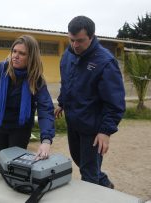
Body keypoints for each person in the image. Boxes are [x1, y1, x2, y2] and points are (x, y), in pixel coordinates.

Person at [55, 16, 125, 189]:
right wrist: (62, 102)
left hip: (93, 128)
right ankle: (105, 184)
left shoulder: (105, 62)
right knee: (80, 161)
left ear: (92, 37)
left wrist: (105, 131)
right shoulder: (68, 56)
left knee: (88, 173)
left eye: (80, 41)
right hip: (74, 122)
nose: (75, 45)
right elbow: (66, 82)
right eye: (71, 40)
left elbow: (115, 102)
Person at [0, 35, 55, 164]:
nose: (15, 56)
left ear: (31, 57)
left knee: (15, 166)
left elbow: (45, 108)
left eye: (22, 53)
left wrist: (46, 140)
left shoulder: (36, 79)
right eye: (14, 51)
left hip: (21, 128)